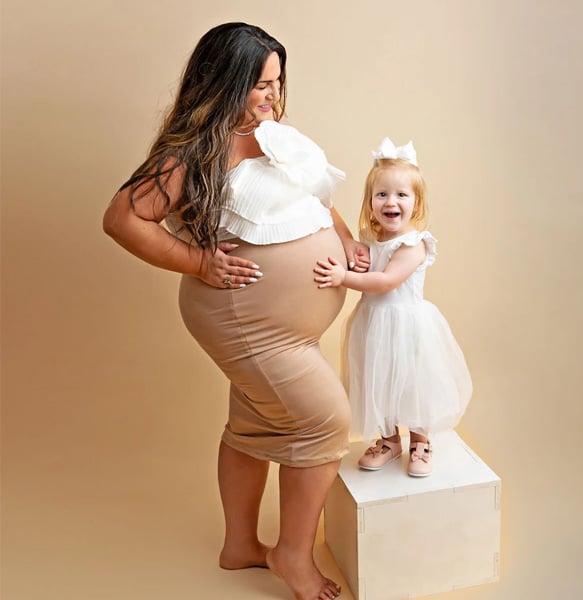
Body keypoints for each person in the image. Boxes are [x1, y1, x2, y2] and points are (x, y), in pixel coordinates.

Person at [103, 22, 369, 600]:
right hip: (244, 319)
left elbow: (314, 195)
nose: (271, 95)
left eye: (276, 82)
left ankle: (240, 545)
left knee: (255, 422)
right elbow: (123, 218)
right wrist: (198, 261)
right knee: (324, 421)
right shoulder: (193, 151)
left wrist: (344, 238)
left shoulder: (274, 132)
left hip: (276, 327)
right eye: (259, 85)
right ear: (224, 83)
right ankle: (293, 559)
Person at [314, 137, 472, 477]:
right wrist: (349, 250)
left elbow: (385, 281)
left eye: (402, 195)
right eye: (382, 194)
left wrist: (343, 276)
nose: (391, 202)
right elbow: (361, 257)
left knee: (411, 383)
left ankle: (420, 440)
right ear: (370, 201)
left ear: (416, 204)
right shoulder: (371, 238)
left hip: (407, 325)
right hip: (372, 323)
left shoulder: (414, 244)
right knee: (377, 380)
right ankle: (389, 440)